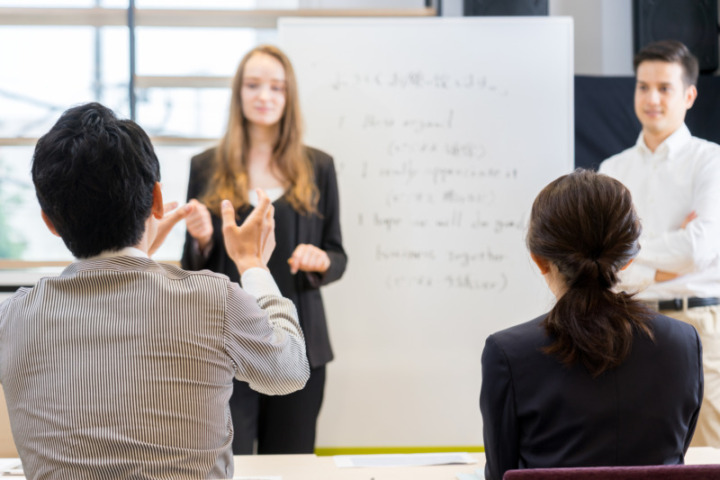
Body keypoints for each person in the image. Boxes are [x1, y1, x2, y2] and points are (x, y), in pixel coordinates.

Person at [0, 102, 310, 479]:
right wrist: (253, 265)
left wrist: (137, 250)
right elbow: (290, 370)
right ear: (158, 200)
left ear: (49, 221)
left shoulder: (11, 320)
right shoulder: (213, 300)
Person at [480, 169, 703, 480]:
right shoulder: (683, 342)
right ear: (627, 258)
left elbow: (501, 474)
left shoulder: (507, 353)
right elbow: (674, 456)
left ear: (539, 259)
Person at [181, 44, 347, 455]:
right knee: (227, 461)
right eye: (254, 85)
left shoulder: (319, 166)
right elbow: (192, 263)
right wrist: (201, 238)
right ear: (238, 93)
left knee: (291, 462)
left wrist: (322, 261)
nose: (265, 96)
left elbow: (338, 254)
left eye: (277, 87)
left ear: (289, 97)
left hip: (301, 339)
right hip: (226, 341)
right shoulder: (206, 166)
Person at [599, 40, 720, 446]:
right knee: (635, 452)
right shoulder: (612, 170)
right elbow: (603, 260)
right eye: (642, 86)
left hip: (699, 327)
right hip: (628, 326)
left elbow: (699, 250)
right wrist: (669, 255)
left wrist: (632, 251)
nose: (651, 98)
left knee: (709, 449)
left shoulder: (710, 161)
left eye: (664, 88)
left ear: (689, 94)